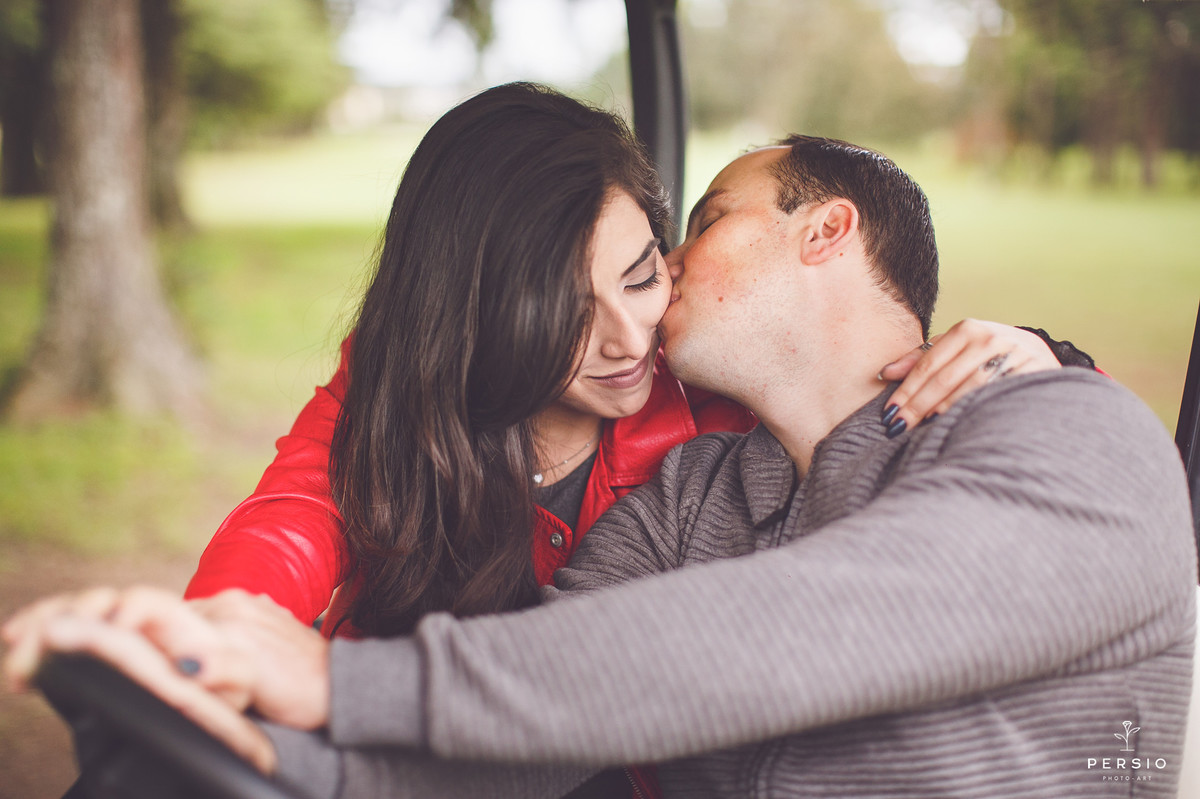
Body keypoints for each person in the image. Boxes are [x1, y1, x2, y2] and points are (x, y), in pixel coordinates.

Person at [2, 111, 1125, 795]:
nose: (658, 298)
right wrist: (206, 667)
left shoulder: (1058, 425)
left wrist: (340, 681)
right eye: (575, 311)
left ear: (824, 230)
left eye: (679, 243)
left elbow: (798, 625)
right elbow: (519, 727)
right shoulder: (696, 500)